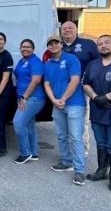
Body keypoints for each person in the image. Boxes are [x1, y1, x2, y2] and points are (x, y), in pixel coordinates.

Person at [83, 35, 111, 192]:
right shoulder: (92, 65)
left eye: (107, 42)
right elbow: (86, 84)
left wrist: (107, 97)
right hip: (98, 112)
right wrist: (95, 97)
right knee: (101, 143)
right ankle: (102, 171)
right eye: (100, 44)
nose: (103, 46)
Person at [44, 34, 86, 186]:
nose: (53, 45)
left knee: (75, 136)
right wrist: (54, 100)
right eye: (50, 43)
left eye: (56, 43)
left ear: (62, 44)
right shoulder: (47, 64)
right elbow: (47, 84)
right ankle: (66, 162)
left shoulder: (71, 59)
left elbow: (75, 80)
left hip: (74, 103)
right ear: (47, 47)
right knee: (62, 135)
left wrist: (63, 98)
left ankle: (79, 171)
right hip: (57, 104)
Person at [61, 21, 100, 158]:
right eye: (64, 28)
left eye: (70, 28)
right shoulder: (57, 46)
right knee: (63, 122)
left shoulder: (88, 44)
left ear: (76, 30)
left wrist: (91, 82)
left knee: (81, 122)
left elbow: (99, 64)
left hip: (82, 90)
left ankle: (82, 152)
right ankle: (66, 153)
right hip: (62, 91)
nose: (67, 30)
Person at [12, 39, 46, 164]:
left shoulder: (35, 61)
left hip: (33, 98)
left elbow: (35, 81)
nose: (25, 49)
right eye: (23, 47)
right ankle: (34, 153)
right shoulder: (22, 61)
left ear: (33, 48)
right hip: (22, 97)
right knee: (29, 125)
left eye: (28, 47)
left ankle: (25, 153)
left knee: (18, 123)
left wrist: (24, 97)